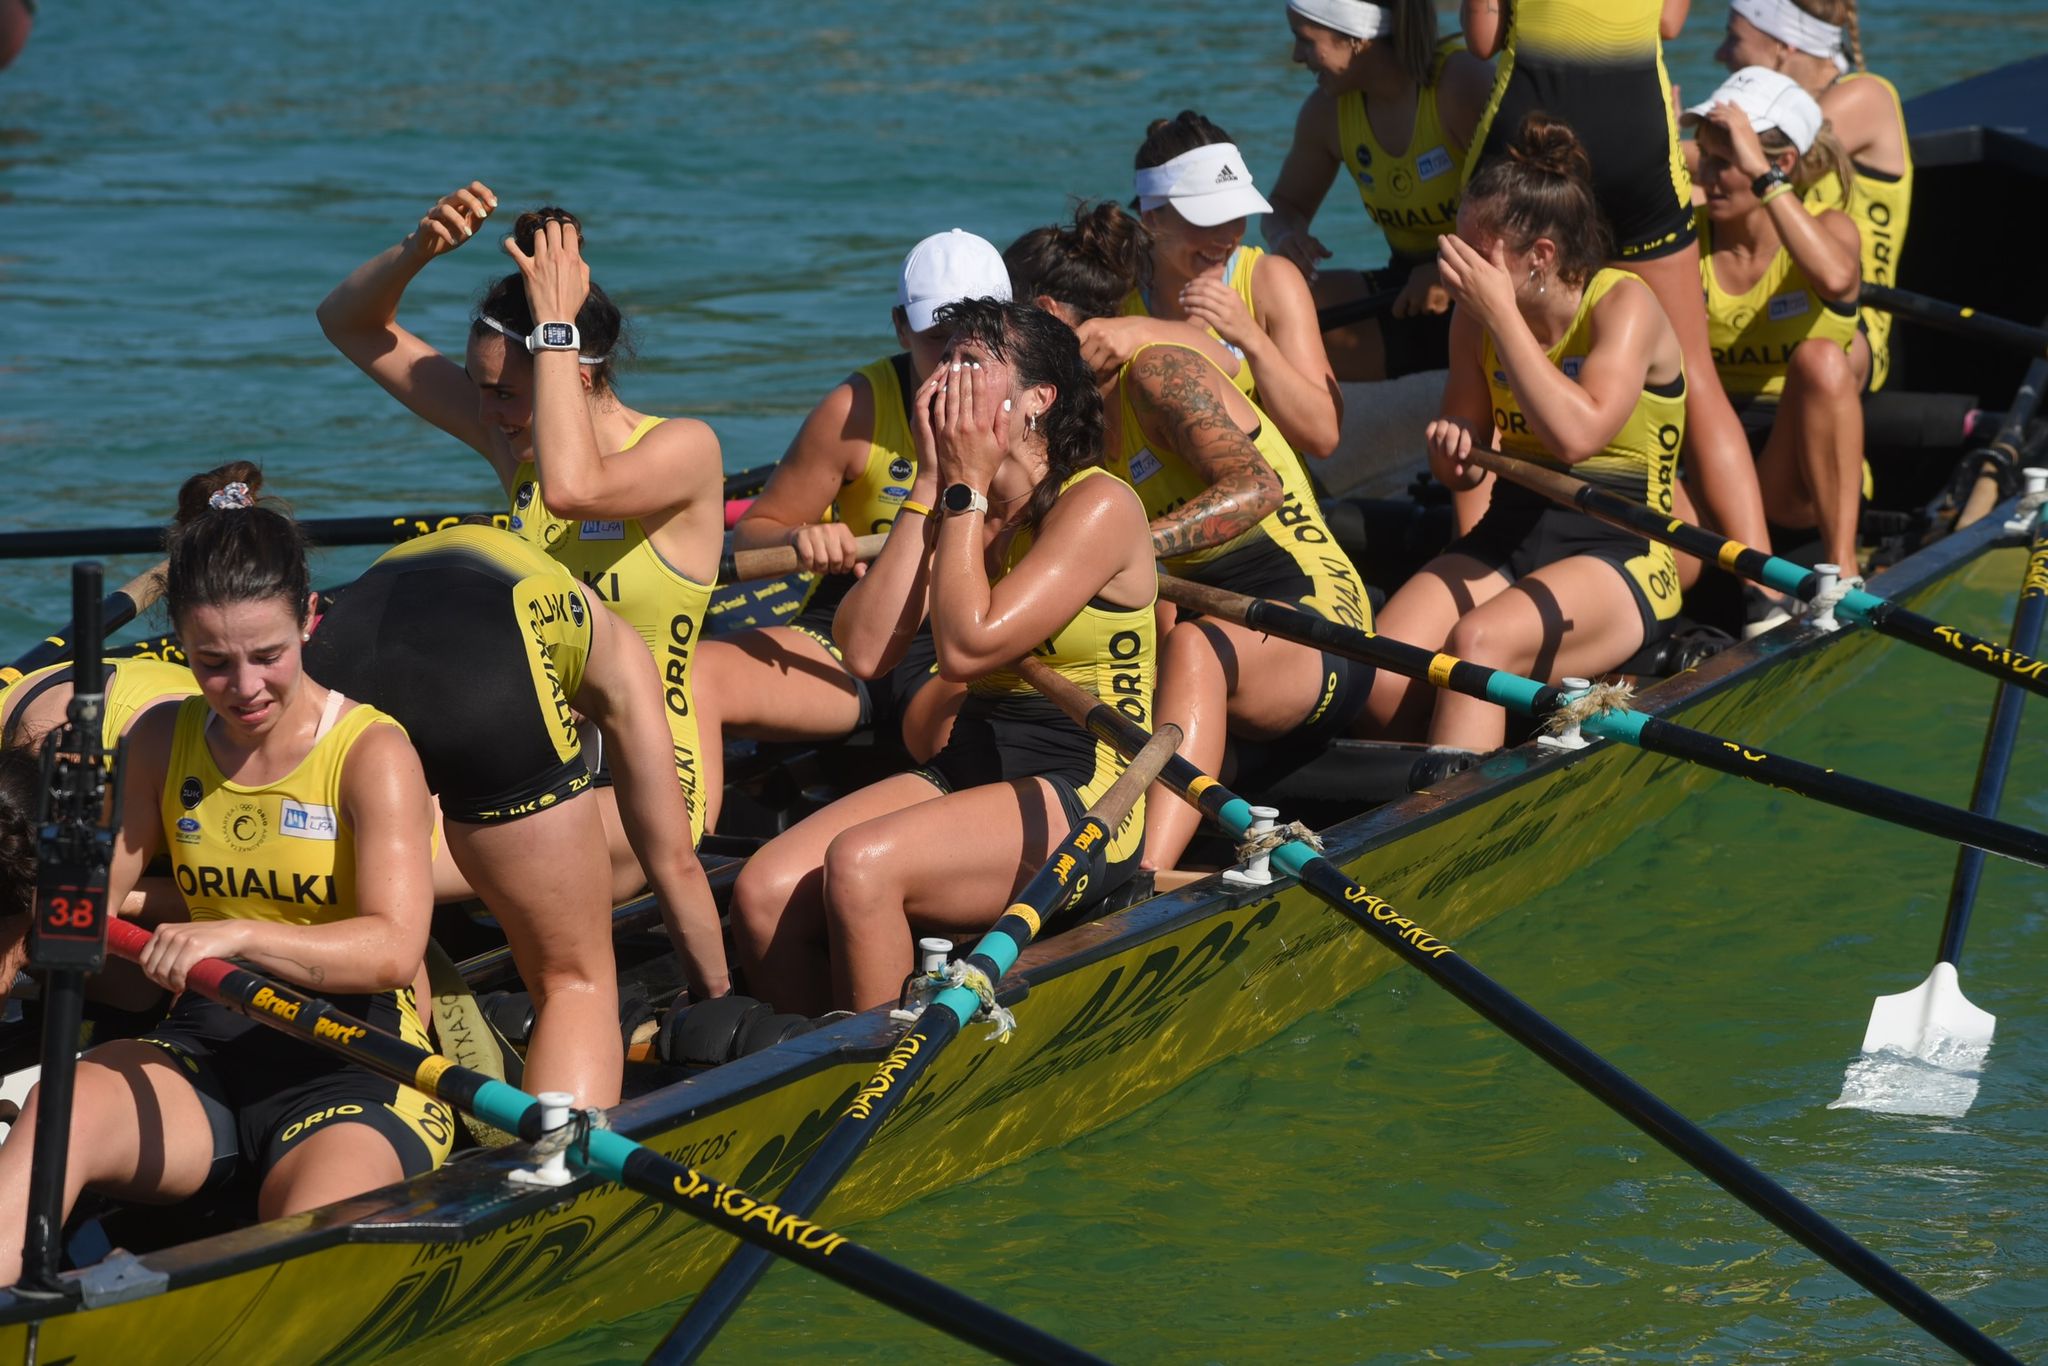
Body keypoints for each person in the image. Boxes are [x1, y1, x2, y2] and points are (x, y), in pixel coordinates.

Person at [0, 466, 452, 1281]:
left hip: (356, 1056)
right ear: (177, 643)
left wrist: (237, 931)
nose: (244, 688)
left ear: (310, 620)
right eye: (213, 663)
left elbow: (391, 950)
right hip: (206, 1041)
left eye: (267, 657)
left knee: (306, 1241)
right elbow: (89, 902)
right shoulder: (157, 739)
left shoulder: (372, 754)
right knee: (61, 1106)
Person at [729, 299, 1157, 1015]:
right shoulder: (962, 504)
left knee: (861, 868)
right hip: (973, 756)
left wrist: (960, 488)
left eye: (972, 363)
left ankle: (880, 1084)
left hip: (1086, 782)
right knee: (763, 889)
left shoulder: (1098, 505)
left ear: (1036, 401)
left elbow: (965, 648)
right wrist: (929, 484)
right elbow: (864, 649)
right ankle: (806, 1069)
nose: (946, 378)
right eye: (945, 359)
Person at [317, 186, 723, 870]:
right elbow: (347, 323)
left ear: (579, 376)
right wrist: (418, 251)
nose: (485, 412)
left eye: (504, 393)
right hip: (524, 759)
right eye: (477, 387)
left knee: (372, 866)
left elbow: (574, 491)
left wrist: (556, 325)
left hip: (644, 787)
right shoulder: (513, 440)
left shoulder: (684, 451)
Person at [303, 522, 726, 1107]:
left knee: (386, 925)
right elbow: (673, 859)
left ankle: (381, 1122)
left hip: (338, 648)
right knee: (573, 983)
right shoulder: (617, 643)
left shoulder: (491, 567)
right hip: (488, 662)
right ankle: (561, 1174)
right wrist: (714, 996)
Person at [1005, 202, 1373, 875]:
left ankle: (1146, 879)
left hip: (1314, 616)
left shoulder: (1156, 373)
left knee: (1193, 648)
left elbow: (1260, 489)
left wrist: (1128, 546)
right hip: (1215, 631)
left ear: (1052, 319)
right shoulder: (1078, 429)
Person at [1363, 116, 1686, 757]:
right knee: (1377, 675)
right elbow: (1461, 472)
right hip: (1513, 530)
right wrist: (1452, 449)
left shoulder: (1624, 306)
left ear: (1539, 256)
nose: (1455, 270)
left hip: (1623, 545)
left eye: (1474, 255)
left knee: (1480, 644)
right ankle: (1415, 790)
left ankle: (1456, 825)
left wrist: (1501, 314)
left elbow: (1576, 436)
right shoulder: (1473, 321)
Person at [1461, 0, 1779, 608]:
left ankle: (1477, 577)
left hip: (1526, 136)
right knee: (1697, 377)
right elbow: (1668, 25)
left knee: (1488, 360)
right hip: (1634, 135)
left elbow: (1481, 39)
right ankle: (1765, 594)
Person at [693, 231, 1008, 830]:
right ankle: (687, 868)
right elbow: (756, 530)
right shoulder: (855, 406)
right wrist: (798, 540)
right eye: (938, 340)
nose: (955, 365)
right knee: (694, 675)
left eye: (978, 345)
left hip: (959, 643)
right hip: (852, 624)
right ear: (900, 327)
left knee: (991, 740)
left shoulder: (1039, 409)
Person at [1083, 114, 1342, 458]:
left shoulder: (1269, 281)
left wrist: (1252, 340)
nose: (1225, 237)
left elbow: (1323, 437)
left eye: (1236, 214)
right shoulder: (1115, 289)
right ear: (1151, 217)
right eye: (1207, 218)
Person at [1690, 69, 1864, 580]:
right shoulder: (1686, 238)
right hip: (1711, 449)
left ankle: (1846, 570)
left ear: (1781, 164)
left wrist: (1767, 182)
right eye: (1706, 160)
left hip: (1798, 469)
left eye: (1726, 163)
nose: (1709, 178)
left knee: (1822, 359)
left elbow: (1835, 278)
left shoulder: (1831, 228)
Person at [1266, 0, 1495, 381]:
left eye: (1305, 40)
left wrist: (1448, 273)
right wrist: (1287, 234)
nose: (1295, 56)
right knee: (1273, 302)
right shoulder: (1326, 112)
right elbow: (1285, 204)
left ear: (1357, 37)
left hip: (1493, 282)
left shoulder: (1459, 84)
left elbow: (1533, 211)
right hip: (1408, 291)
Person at [1713, 0, 1910, 391]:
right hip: (1769, 312)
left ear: (1784, 47)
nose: (1720, 54)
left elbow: (1744, 159)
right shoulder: (1764, 124)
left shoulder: (1867, 96)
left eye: (1734, 38)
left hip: (1854, 326)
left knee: (1825, 358)